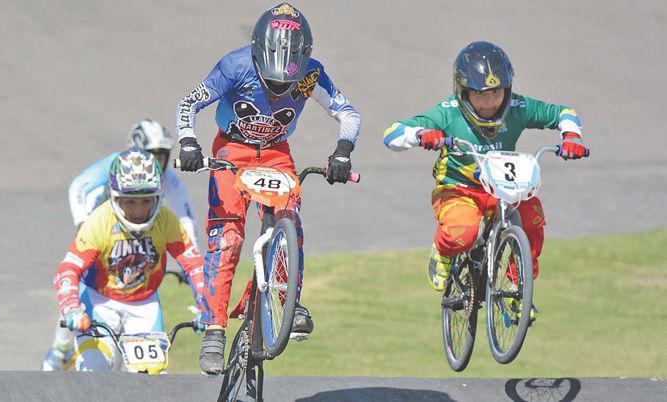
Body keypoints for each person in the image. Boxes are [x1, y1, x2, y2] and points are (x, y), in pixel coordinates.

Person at [176, 3, 361, 374]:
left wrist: (343, 152)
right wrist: (188, 143)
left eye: (285, 84)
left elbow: (348, 114)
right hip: (230, 149)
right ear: (259, 55)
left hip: (277, 153)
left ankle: (287, 295)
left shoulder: (311, 75)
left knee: (290, 217)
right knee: (227, 236)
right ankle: (214, 328)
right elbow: (188, 104)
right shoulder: (234, 66)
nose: (279, 89)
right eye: (271, 81)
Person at [383, 41, 588, 319]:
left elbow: (564, 113)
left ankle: (520, 286)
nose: (491, 102)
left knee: (532, 216)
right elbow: (392, 135)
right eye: (481, 94)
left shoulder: (518, 107)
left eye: (496, 92)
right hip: (458, 190)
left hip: (504, 189)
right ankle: (442, 252)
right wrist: (421, 135)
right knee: (463, 231)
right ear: (463, 92)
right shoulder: (447, 111)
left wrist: (571, 136)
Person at [41, 120, 204, 370]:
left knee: (151, 378)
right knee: (95, 374)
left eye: (146, 201)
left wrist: (206, 306)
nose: (138, 210)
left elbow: (194, 264)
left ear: (158, 197)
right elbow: (67, 271)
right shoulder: (98, 221)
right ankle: (60, 351)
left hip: (144, 304)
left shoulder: (167, 220)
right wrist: (72, 308)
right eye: (130, 201)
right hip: (98, 300)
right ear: (116, 197)